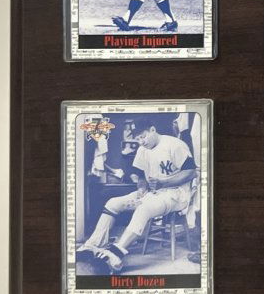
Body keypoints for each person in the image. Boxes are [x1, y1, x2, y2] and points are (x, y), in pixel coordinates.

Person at [77, 117, 197, 274]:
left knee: (144, 208)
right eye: (138, 138)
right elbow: (140, 175)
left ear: (153, 130)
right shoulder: (142, 149)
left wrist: (163, 183)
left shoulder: (175, 144)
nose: (141, 141)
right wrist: (141, 188)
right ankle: (93, 245)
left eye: (143, 136)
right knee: (113, 203)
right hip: (152, 193)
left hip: (176, 194)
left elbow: (191, 172)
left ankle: (116, 253)